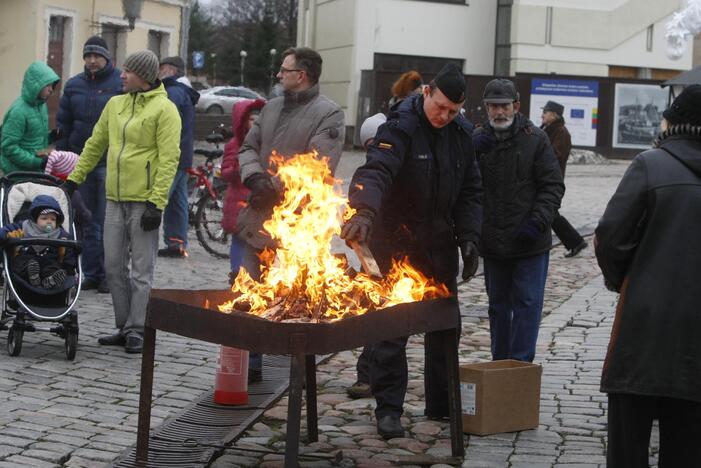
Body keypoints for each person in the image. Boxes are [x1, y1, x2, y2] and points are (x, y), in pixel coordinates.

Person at [341, 63, 483, 439]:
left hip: (439, 244)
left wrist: (470, 237)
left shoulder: (461, 134)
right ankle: (388, 410)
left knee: (444, 326)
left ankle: (440, 403)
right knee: (392, 329)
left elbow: (471, 191)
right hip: (395, 243)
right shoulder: (400, 125)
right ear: (426, 94)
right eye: (440, 107)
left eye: (453, 112)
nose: (444, 116)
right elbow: (377, 171)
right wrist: (366, 211)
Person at [595, 85, 701, 467]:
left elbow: (610, 238)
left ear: (673, 122)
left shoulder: (650, 165)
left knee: (628, 445)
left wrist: (624, 279)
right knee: (688, 448)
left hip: (643, 329)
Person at [63, 49, 181, 354]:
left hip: (144, 202)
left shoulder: (164, 110)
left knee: (142, 269)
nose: (122, 75)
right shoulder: (115, 104)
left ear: (143, 75)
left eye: (128, 71)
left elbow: (169, 159)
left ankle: (137, 328)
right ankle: (122, 324)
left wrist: (157, 203)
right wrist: (75, 177)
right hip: (114, 198)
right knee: (113, 265)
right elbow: (95, 143)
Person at [238, 46, 345, 380]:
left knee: (297, 292)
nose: (279, 75)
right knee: (250, 287)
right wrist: (254, 177)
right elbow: (247, 148)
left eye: (284, 70)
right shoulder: (270, 108)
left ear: (302, 75)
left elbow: (318, 161)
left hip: (299, 220)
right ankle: (251, 362)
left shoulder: (329, 113)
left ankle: (298, 365)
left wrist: (272, 183)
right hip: (260, 214)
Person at [472, 79, 564, 363]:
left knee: (527, 305)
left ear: (516, 106)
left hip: (529, 241)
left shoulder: (535, 138)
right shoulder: (477, 139)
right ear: (486, 108)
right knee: (498, 307)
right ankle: (500, 364)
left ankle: (520, 368)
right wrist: (469, 150)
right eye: (493, 106)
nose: (499, 112)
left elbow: (552, 186)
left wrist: (537, 222)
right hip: (493, 242)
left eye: (504, 106)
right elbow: (464, 186)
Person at [55, 36, 122, 293]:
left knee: (109, 221)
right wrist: (61, 156)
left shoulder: (119, 84)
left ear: (107, 58)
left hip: (108, 162)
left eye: (97, 56)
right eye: (88, 56)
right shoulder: (74, 85)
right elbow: (64, 123)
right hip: (79, 161)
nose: (92, 61)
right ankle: (91, 271)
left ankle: (109, 274)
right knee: (87, 221)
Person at [156, 56, 200, 258]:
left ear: (171, 70)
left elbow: (166, 125)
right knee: (177, 201)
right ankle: (177, 241)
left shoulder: (172, 92)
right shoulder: (184, 92)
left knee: (158, 199)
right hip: (183, 156)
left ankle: (138, 241)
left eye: (161, 68)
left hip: (172, 155)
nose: (158, 72)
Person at [221, 99, 266, 284]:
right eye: (251, 119)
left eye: (259, 119)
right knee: (239, 242)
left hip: (258, 203)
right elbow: (225, 172)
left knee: (258, 243)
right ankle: (236, 275)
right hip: (238, 204)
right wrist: (241, 168)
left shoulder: (265, 144)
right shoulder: (234, 144)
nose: (255, 123)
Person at [540, 100, 587, 258]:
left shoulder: (561, 132)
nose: (543, 115)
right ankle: (575, 242)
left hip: (552, 180)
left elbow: (554, 155)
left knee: (550, 213)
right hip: (542, 178)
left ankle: (576, 241)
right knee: (547, 213)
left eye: (545, 112)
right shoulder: (548, 129)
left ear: (554, 115)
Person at [0, 195, 76, 290]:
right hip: (27, 258)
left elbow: (69, 248)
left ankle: (50, 280)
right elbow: (6, 230)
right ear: (35, 219)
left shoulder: (61, 234)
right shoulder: (24, 227)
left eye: (53, 219)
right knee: (22, 263)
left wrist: (69, 268)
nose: (49, 222)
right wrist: (3, 236)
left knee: (53, 267)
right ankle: (32, 276)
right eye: (44, 218)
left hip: (48, 260)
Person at [0, 61, 60, 174]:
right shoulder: (18, 111)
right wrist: (37, 162)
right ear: (36, 85)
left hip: (33, 172)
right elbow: (8, 147)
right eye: (47, 85)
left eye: (52, 85)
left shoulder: (41, 106)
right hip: (16, 174)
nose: (51, 89)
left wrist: (50, 137)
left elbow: (32, 141)